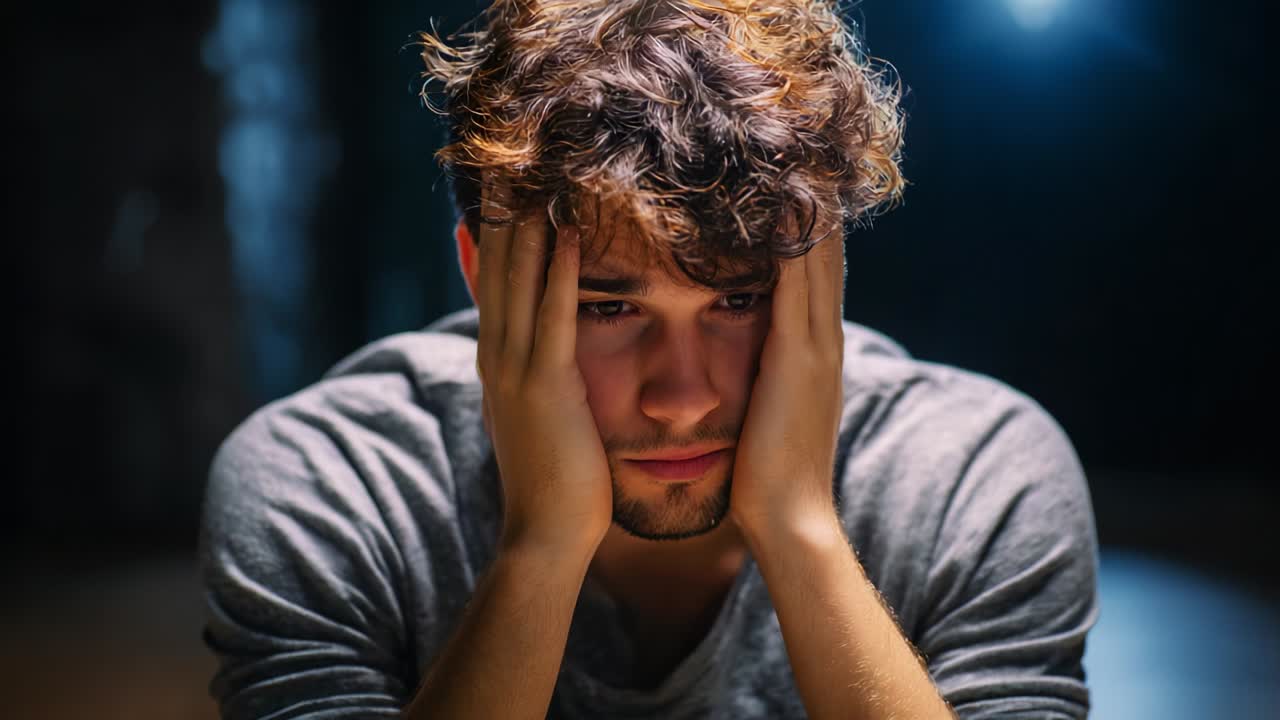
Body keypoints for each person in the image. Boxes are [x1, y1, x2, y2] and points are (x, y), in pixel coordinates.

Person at [198, 1, 1099, 718]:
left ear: (822, 273)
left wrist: (801, 530)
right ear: (483, 275)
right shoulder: (328, 484)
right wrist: (541, 550)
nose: (682, 397)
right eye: (610, 308)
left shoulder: (972, 478)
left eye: (737, 300)